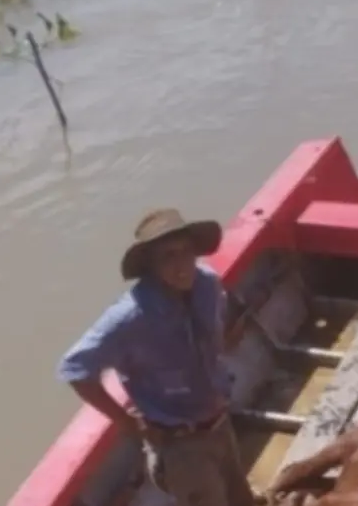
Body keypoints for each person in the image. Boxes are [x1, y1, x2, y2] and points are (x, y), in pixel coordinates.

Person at [56, 208, 255, 506]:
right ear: (151, 265)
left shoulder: (207, 285)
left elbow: (217, 331)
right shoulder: (130, 317)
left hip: (219, 423)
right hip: (180, 445)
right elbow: (75, 369)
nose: (181, 265)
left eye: (186, 252)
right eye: (168, 257)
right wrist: (128, 423)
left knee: (242, 499)